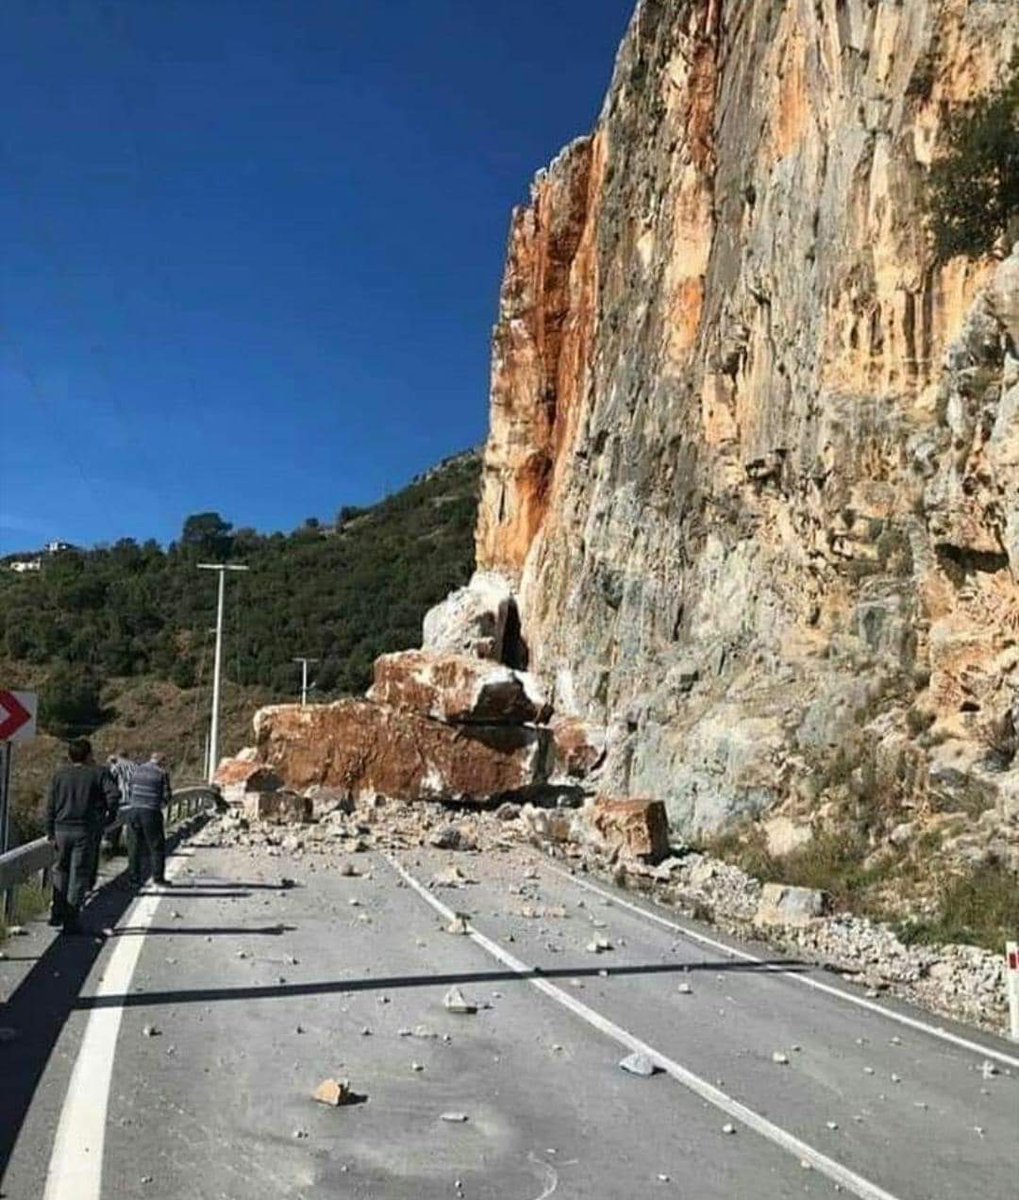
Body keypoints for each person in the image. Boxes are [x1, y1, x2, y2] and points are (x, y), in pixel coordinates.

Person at [45, 738, 119, 934]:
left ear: (70, 756)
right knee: (78, 873)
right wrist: (107, 818)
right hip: (85, 830)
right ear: (89, 755)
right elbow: (113, 796)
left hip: (61, 829)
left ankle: (57, 912)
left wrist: (49, 831)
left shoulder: (59, 774)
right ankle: (71, 920)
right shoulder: (99, 773)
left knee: (60, 870)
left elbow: (50, 804)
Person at [124, 752, 172, 889]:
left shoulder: (137, 770)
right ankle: (158, 878)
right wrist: (159, 804)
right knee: (156, 846)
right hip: (151, 811)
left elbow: (129, 789)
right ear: (162, 761)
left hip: (133, 811)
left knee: (134, 846)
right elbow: (167, 795)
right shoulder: (161, 773)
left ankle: (134, 878)